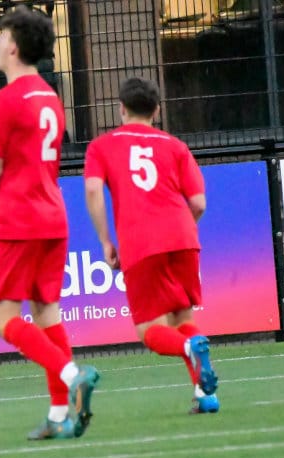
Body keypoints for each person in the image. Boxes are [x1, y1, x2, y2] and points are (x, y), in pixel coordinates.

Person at [0, 6, 98, 441]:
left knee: (1, 318)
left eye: (1, 34)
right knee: (46, 313)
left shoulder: (5, 101)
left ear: (13, 45)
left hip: (18, 219)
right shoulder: (50, 97)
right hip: (53, 216)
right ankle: (59, 415)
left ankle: (72, 375)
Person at [82, 76, 219, 414]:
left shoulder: (102, 146)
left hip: (141, 242)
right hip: (184, 238)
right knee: (182, 315)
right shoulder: (175, 146)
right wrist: (182, 229)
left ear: (121, 109)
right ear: (156, 111)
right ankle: (205, 395)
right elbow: (199, 203)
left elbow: (93, 189)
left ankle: (189, 349)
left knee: (150, 332)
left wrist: (105, 240)